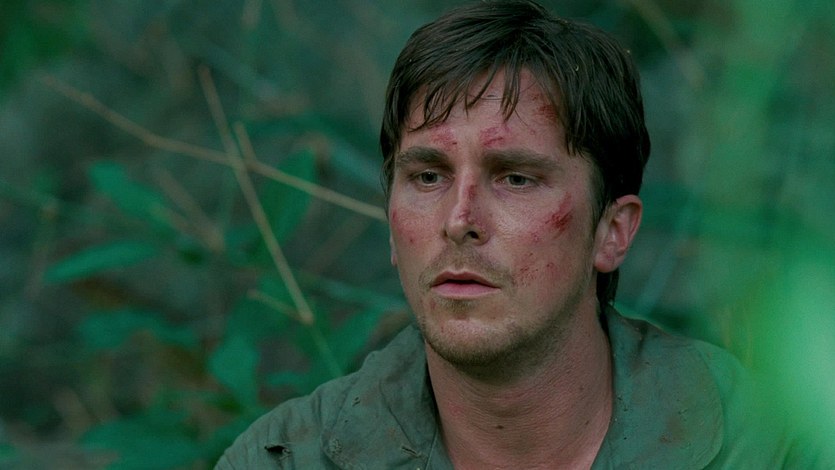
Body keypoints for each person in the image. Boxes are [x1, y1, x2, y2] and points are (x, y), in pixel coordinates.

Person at [216, 1, 829, 468]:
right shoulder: (287, 460)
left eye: (515, 178)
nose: (459, 220)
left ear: (612, 232)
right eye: (427, 176)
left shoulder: (767, 446)